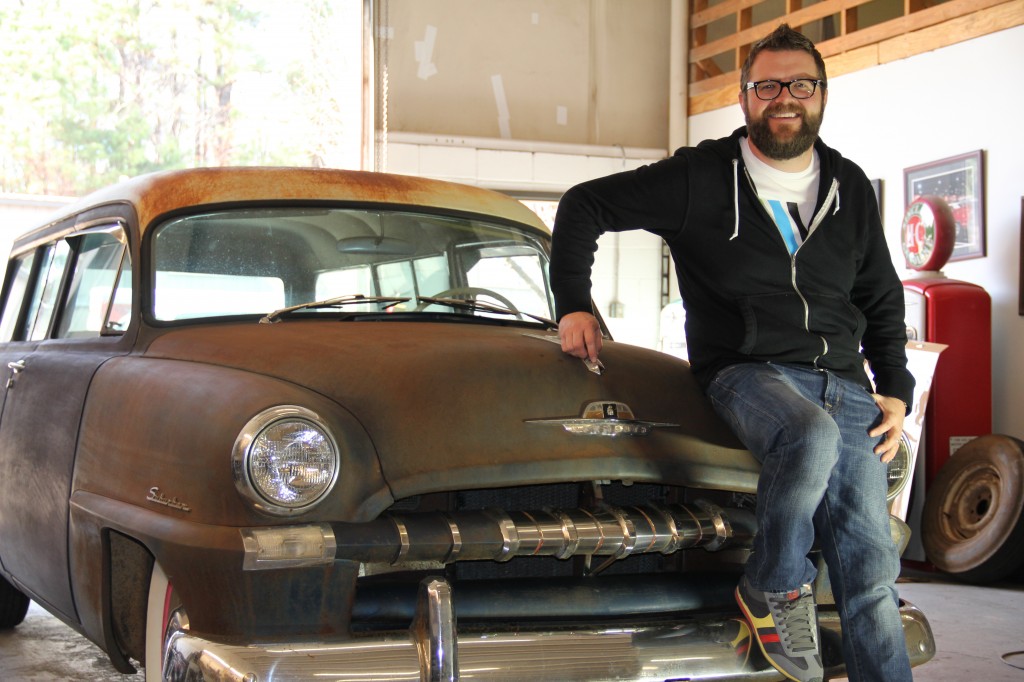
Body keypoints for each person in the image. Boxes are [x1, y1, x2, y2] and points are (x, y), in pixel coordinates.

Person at [550, 23, 914, 682]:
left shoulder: (849, 186)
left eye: (799, 85)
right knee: (807, 434)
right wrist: (574, 302)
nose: (784, 97)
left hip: (845, 384)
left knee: (871, 582)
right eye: (767, 85)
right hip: (747, 371)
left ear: (821, 95)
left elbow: (882, 295)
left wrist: (895, 385)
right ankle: (772, 589)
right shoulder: (700, 177)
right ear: (745, 97)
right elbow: (584, 204)